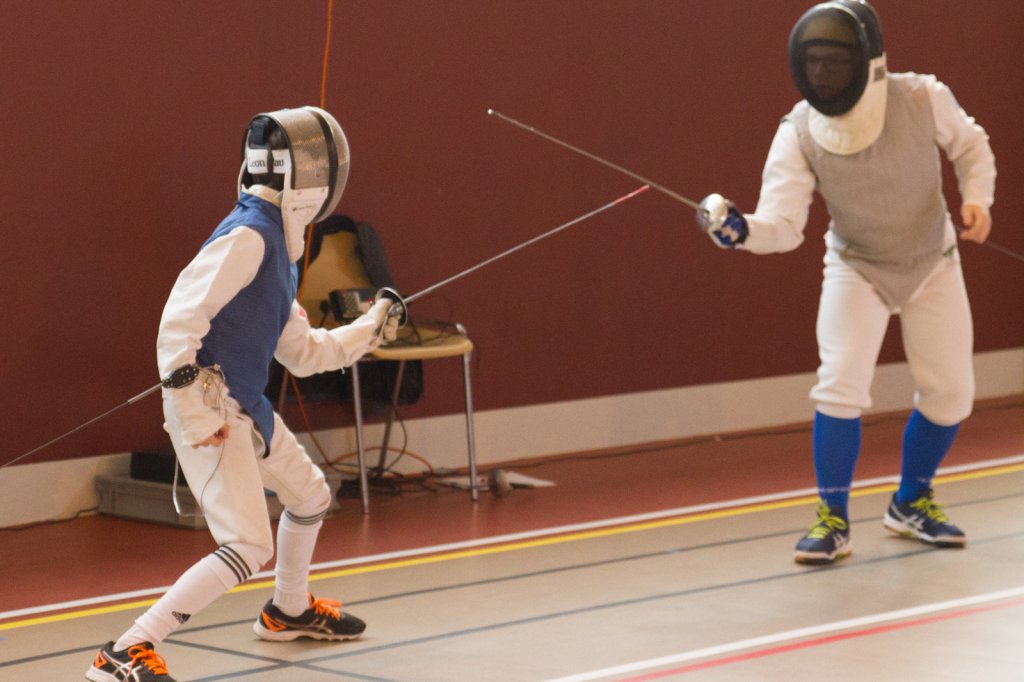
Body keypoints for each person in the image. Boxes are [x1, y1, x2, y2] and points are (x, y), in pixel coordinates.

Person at [87, 107, 400, 681]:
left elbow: (303, 353)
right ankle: (126, 651)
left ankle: (288, 610)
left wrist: (371, 327)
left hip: (245, 405)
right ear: (310, 178)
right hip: (211, 409)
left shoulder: (278, 247)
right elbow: (177, 323)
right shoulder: (249, 238)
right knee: (248, 545)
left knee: (311, 496)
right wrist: (194, 413)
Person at [696, 1, 995, 565]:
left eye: (835, 61)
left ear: (868, 62)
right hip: (856, 264)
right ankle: (832, 518)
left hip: (933, 259)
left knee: (952, 393)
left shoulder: (922, 96)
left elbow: (971, 145)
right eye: (814, 61)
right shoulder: (799, 130)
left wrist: (977, 198)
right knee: (839, 386)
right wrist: (741, 232)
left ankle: (911, 502)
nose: (823, 73)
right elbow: (783, 226)